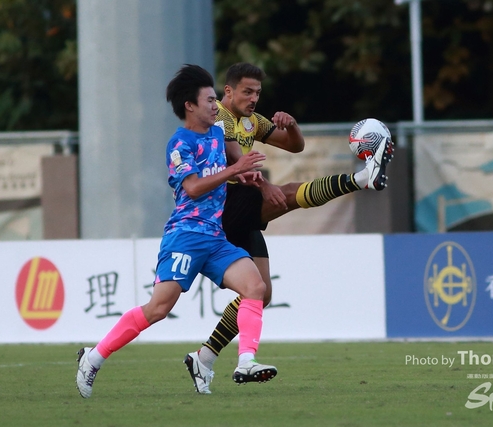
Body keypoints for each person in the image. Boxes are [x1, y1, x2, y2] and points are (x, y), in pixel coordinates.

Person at [183, 62, 394, 394]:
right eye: (247, 92)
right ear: (229, 91)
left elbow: (295, 146)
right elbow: (236, 161)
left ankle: (204, 358)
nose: (253, 98)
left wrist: (292, 125)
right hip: (223, 204)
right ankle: (360, 179)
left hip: (240, 204)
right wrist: (265, 186)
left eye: (257, 92)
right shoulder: (220, 116)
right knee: (290, 193)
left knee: (261, 293)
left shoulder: (252, 121)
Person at [75, 64, 278, 399]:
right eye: (209, 100)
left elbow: (230, 168)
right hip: (185, 236)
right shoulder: (179, 144)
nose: (215, 106)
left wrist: (245, 174)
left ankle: (246, 361)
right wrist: (234, 169)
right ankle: (93, 357)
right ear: (190, 105)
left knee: (256, 287)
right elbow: (194, 187)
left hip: (215, 238)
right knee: (158, 309)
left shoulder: (217, 134)